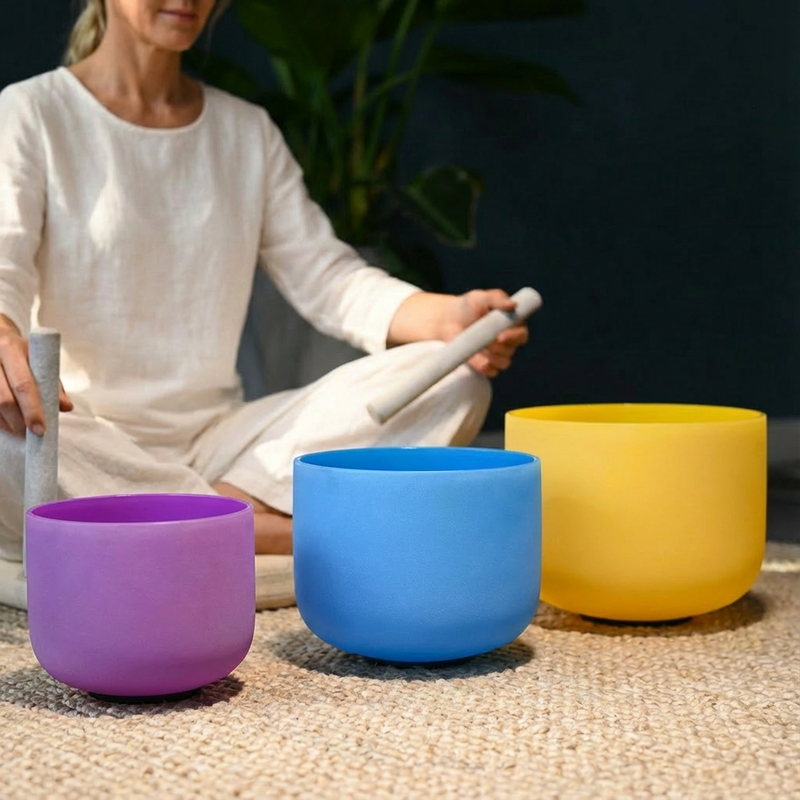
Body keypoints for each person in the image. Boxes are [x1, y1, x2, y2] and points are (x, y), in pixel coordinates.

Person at [0, 0, 529, 559]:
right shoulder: (33, 112)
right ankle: (256, 526)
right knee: (9, 433)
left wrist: (450, 319)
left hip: (226, 447)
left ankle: (187, 522)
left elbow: (330, 280)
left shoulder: (246, 131)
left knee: (453, 380)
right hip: (86, 434)